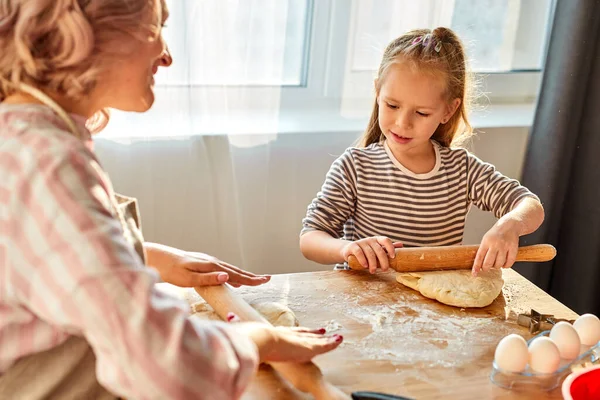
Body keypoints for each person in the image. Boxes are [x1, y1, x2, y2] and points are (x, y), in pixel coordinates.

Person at [0, 1, 342, 399]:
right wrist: (258, 339)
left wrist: (142, 255)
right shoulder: (51, 164)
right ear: (89, 33)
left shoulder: (21, 137)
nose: (166, 55)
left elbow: (30, 257)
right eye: (154, 27)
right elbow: (162, 366)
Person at [300, 27, 544, 277]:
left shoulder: (462, 169)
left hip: (434, 310)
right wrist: (347, 249)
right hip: (362, 305)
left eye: (422, 113)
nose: (402, 123)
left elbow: (530, 205)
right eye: (392, 105)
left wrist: (509, 225)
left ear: (448, 111)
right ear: (377, 92)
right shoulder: (355, 167)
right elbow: (310, 239)